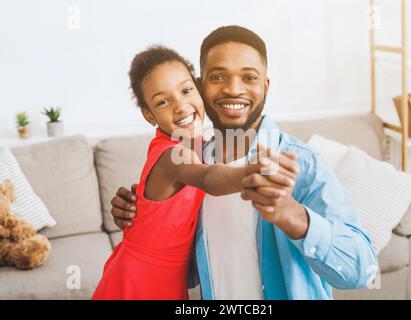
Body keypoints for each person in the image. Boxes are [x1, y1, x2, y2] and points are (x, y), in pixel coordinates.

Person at [110, 26, 379, 300]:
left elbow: (361, 270)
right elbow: (185, 264)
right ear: (201, 86)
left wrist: (294, 217)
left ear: (265, 86)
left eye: (249, 77)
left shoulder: (303, 164)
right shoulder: (194, 162)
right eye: (218, 76)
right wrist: (140, 212)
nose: (233, 89)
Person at [92, 45, 296, 300]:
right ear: (149, 115)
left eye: (186, 91)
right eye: (163, 101)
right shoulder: (176, 155)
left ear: (198, 89)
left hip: (161, 274)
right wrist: (251, 173)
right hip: (143, 278)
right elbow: (207, 178)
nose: (180, 106)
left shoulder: (196, 144)